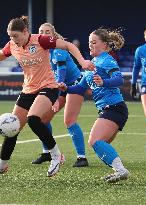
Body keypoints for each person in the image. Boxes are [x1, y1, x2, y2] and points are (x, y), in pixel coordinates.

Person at [0, 16, 94, 180]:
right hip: (28, 90)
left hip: (48, 87)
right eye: (10, 36)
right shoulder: (13, 45)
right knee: (12, 129)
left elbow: (68, 45)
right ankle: (2, 166)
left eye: (15, 36)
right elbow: (1, 54)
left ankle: (56, 155)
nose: (13, 39)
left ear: (25, 32)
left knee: (34, 119)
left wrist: (82, 61)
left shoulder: (41, 40)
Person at [59, 28, 130, 183]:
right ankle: (118, 170)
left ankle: (121, 170)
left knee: (94, 140)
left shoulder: (107, 60)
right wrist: (67, 88)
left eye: (94, 42)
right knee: (100, 143)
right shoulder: (92, 64)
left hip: (114, 108)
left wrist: (105, 82)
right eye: (89, 42)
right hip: (108, 109)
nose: (90, 45)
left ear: (104, 44)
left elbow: (119, 80)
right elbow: (80, 88)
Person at [31, 22, 88, 167]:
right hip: (59, 86)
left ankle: (82, 157)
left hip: (74, 84)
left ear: (53, 34)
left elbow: (61, 72)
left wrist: (55, 95)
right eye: (41, 31)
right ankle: (47, 153)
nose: (44, 34)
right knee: (43, 120)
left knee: (69, 121)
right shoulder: (40, 50)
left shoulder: (58, 47)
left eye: (47, 32)